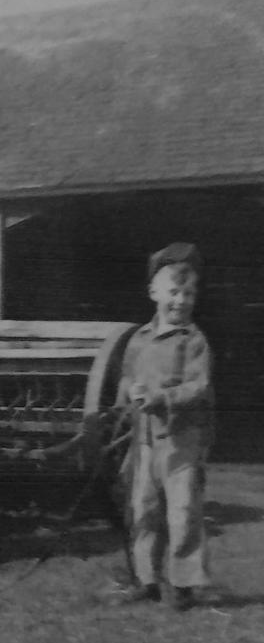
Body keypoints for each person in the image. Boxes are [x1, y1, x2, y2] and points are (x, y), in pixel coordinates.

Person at [116, 242, 215, 611]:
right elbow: (127, 378)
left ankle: (185, 584)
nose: (181, 300)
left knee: (183, 509)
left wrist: (162, 398)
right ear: (154, 292)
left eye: (189, 293)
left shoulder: (194, 342)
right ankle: (146, 579)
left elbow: (199, 387)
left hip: (181, 440)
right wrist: (126, 399)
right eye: (174, 291)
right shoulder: (139, 339)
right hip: (144, 440)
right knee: (143, 508)